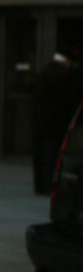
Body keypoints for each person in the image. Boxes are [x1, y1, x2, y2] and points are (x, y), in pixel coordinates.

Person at [32, 50, 77, 195]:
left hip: (40, 123)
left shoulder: (44, 73)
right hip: (55, 124)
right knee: (51, 157)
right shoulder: (63, 76)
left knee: (41, 157)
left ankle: (41, 186)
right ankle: (49, 186)